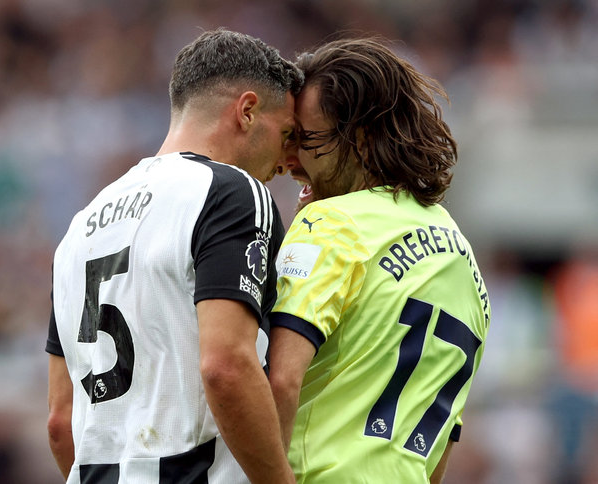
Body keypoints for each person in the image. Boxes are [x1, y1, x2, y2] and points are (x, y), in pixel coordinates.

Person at [45, 28, 303, 484]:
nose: (287, 161)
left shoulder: (80, 226)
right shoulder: (231, 192)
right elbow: (226, 366)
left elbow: (60, 424)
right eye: (286, 134)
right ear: (246, 112)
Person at [268, 37, 491, 483]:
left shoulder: (331, 222)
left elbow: (280, 382)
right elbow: (443, 438)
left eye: (306, 139)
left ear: (363, 138)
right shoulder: (463, 257)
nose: (288, 160)